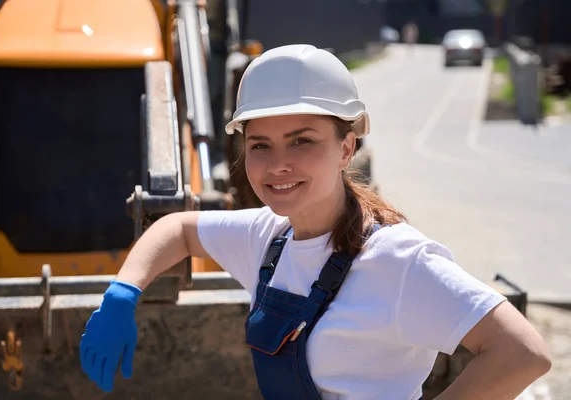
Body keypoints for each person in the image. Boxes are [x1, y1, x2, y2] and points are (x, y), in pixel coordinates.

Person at [79, 44, 551, 399]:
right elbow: (177, 229)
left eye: (302, 141)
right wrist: (123, 294)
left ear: (346, 148)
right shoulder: (269, 238)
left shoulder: (397, 260)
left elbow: (523, 354)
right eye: (261, 145)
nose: (278, 164)